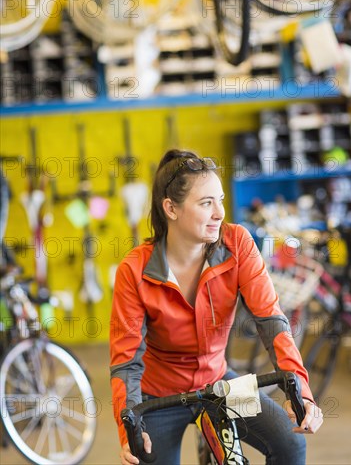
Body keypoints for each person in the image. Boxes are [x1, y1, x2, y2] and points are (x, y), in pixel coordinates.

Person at [110, 149, 323, 465]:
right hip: (158, 396)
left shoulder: (237, 243)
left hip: (218, 383)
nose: (220, 213)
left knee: (290, 445)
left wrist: (300, 392)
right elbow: (126, 362)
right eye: (206, 203)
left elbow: (271, 321)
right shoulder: (135, 269)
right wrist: (128, 428)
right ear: (171, 208)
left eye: (220, 200)